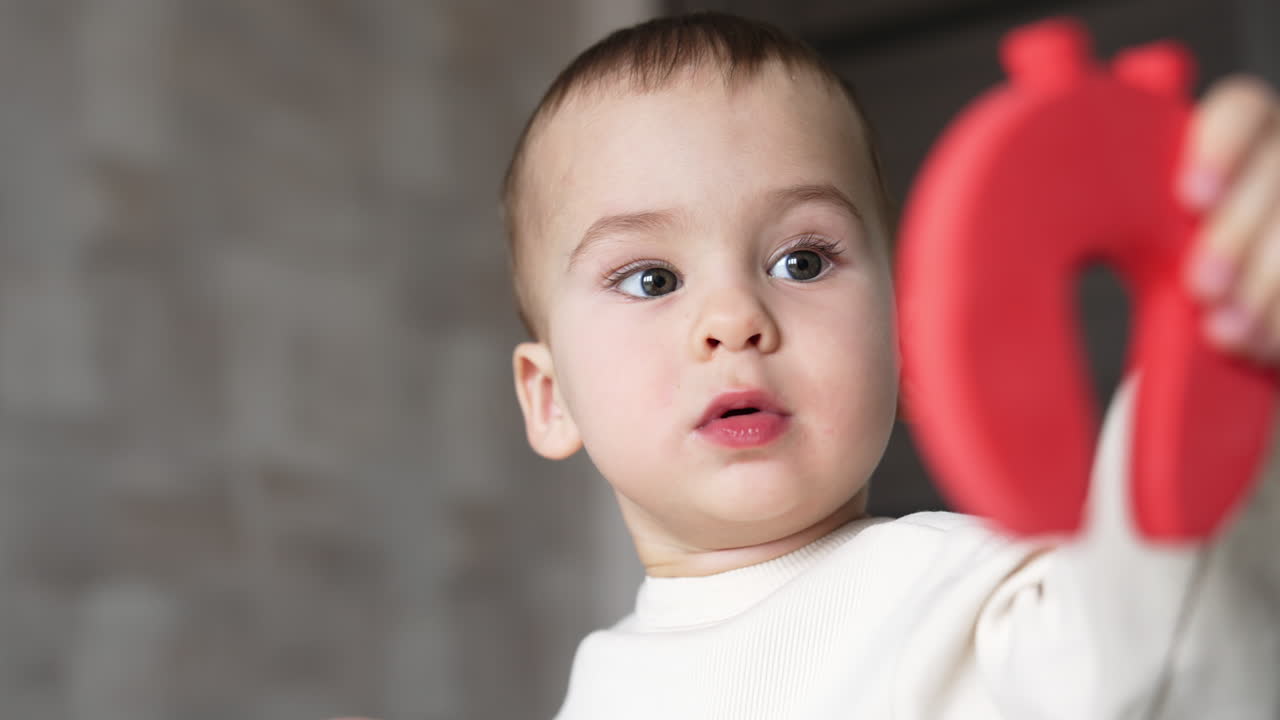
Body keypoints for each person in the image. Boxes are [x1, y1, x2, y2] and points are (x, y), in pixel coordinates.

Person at [502, 11, 1280, 719]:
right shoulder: (601, 684)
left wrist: (1231, 336)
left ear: (911, 343)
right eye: (653, 280)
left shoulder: (987, 601)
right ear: (551, 397)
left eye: (802, 262)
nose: (734, 319)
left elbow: (1162, 629)